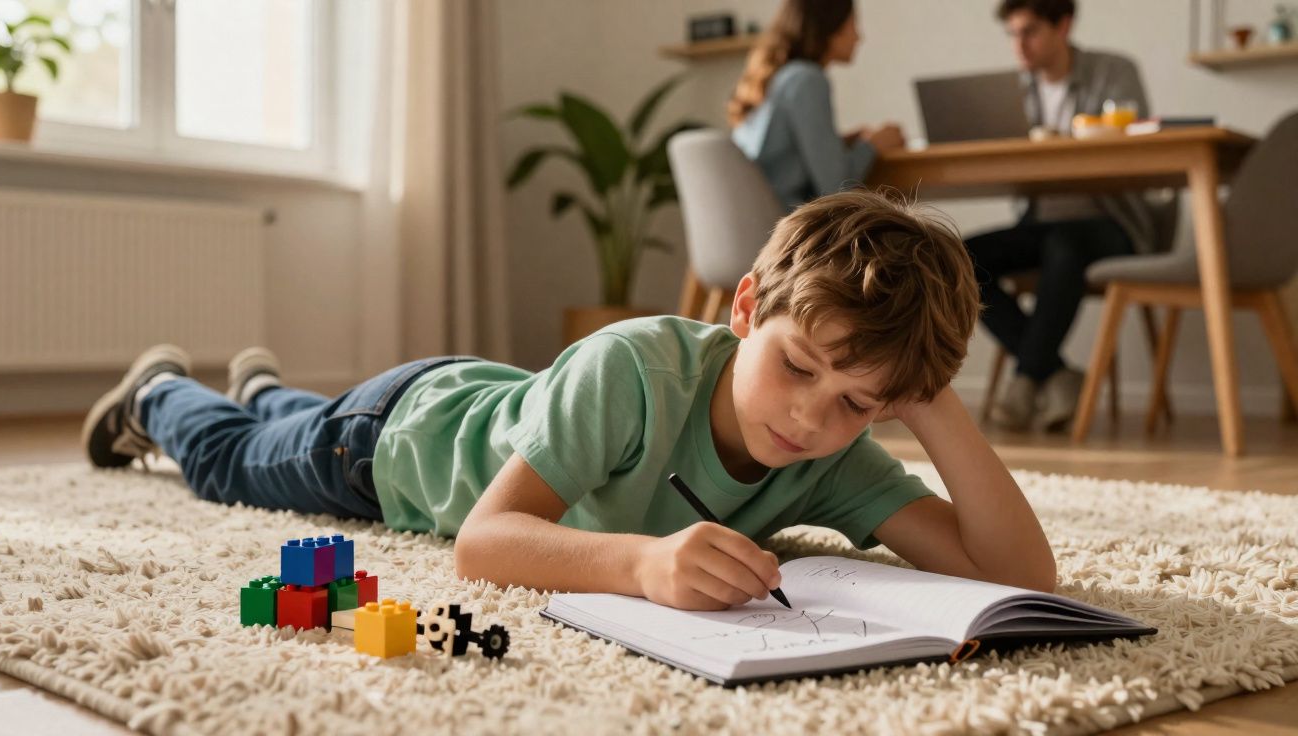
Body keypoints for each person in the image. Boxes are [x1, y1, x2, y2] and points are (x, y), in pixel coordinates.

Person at [83, 190, 1056, 611]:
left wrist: (934, 405)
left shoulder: (834, 453)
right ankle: (163, 391)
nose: (810, 418)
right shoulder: (636, 366)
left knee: (272, 420)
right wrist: (641, 562)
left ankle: (261, 389)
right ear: (745, 305)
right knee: (227, 466)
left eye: (859, 403)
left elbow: (1021, 580)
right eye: (798, 366)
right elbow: (483, 542)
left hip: (480, 403)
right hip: (393, 443)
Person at [966, 0, 1162, 432]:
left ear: (1064, 25)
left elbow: (1139, 148)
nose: (1020, 45)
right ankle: (1054, 373)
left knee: (1065, 245)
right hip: (1039, 222)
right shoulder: (1013, 91)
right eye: (1013, 34)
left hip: (1112, 223)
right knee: (959, 257)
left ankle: (1025, 380)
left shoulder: (1113, 72)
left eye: (1030, 31)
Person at [730, 0, 904, 211]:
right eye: (852, 25)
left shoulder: (780, 77)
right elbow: (836, 189)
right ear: (829, 26)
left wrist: (839, 144)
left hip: (764, 223)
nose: (859, 37)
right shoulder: (807, 80)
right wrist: (873, 146)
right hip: (792, 228)